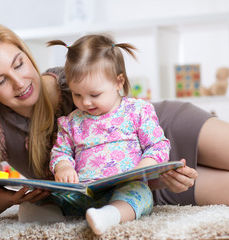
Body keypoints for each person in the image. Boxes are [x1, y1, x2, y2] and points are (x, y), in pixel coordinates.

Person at [0, 21, 229, 219]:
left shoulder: (68, 80)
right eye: (0, 81)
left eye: (19, 64)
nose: (20, 82)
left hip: (165, 127)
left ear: (26, 54)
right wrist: (3, 200)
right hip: (139, 186)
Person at [45, 35, 170, 234]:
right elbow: (60, 152)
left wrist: (143, 168)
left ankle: (110, 215)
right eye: (77, 94)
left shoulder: (137, 111)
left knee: (140, 194)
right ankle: (41, 214)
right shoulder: (72, 122)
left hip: (124, 189)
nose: (85, 103)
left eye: (94, 95)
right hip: (84, 192)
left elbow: (158, 146)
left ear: (118, 82)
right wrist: (64, 167)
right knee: (51, 196)